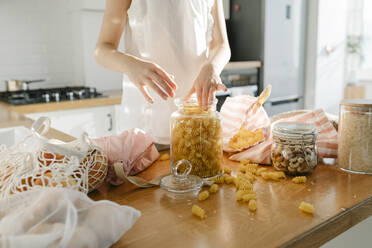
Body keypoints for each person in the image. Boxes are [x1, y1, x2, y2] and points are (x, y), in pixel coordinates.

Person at [95, 0, 230, 145]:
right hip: (145, 124)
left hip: (197, 117)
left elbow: (222, 45)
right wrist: (130, 65)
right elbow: (102, 49)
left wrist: (212, 67)